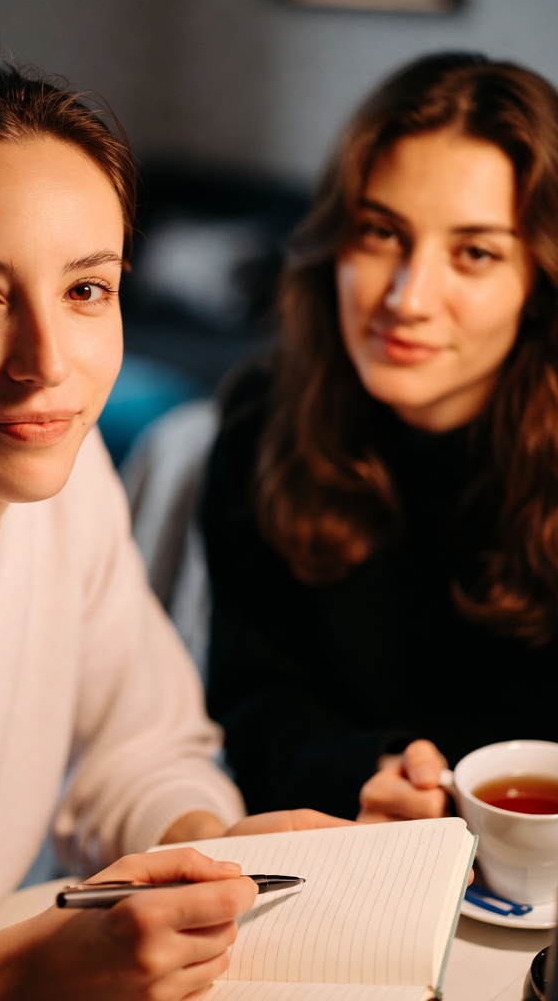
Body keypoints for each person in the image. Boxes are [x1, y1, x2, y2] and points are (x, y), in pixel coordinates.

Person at [0, 63, 342, 1001]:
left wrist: (204, 841)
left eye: (87, 290)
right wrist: (22, 976)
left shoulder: (66, 494)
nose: (47, 367)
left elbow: (138, 745)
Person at [201, 50, 558, 826]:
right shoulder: (261, 425)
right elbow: (252, 700)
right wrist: (367, 770)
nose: (409, 296)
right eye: (381, 234)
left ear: (538, 283)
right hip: (346, 853)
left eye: (475, 253)